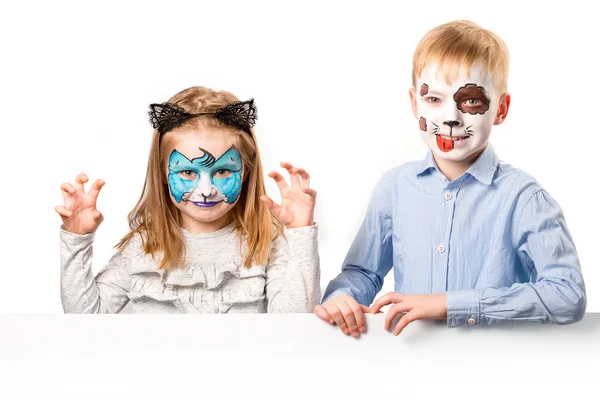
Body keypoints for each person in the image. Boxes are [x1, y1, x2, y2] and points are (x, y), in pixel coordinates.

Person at [315, 20, 586, 337]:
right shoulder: (395, 188)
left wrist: (452, 304)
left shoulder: (524, 199)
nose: (451, 118)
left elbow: (567, 295)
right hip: (410, 366)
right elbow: (362, 272)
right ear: (415, 102)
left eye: (471, 101)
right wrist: (341, 299)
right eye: (434, 100)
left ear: (500, 109)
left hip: (494, 371)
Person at [56, 86, 320, 313]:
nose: (206, 190)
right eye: (187, 172)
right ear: (162, 173)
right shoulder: (145, 245)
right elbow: (87, 317)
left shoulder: (266, 243)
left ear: (245, 172)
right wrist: (76, 240)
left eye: (223, 171)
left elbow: (295, 323)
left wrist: (300, 232)